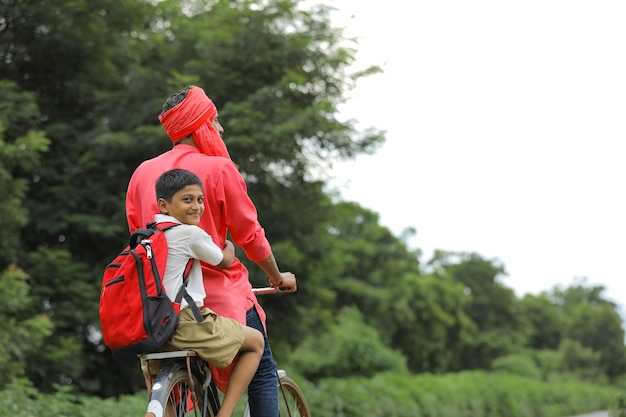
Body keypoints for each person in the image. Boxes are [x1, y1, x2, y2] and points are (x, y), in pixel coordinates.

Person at [126, 85, 297, 417]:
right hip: (215, 300)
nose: (221, 129)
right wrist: (277, 276)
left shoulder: (142, 173)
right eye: (215, 121)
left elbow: (139, 239)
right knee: (262, 370)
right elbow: (250, 235)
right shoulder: (219, 168)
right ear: (198, 126)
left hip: (157, 304)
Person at [151, 168, 263, 417]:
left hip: (152, 328)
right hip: (185, 324)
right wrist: (229, 246)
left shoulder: (148, 236)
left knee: (169, 403)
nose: (197, 207)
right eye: (187, 199)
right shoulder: (190, 233)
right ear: (164, 205)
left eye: (200, 200)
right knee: (256, 342)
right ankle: (224, 415)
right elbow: (223, 261)